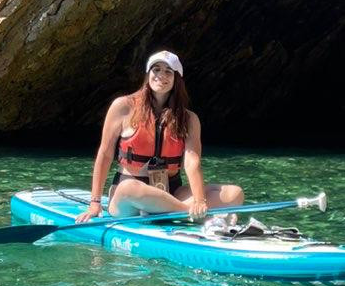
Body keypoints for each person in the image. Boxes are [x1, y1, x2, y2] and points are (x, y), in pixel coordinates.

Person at [75, 51, 244, 224]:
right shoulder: (123, 106)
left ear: (176, 79)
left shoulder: (190, 119)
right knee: (129, 189)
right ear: (148, 74)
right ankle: (191, 213)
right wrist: (95, 202)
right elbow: (105, 154)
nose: (161, 75)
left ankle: (174, 210)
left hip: (171, 192)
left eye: (168, 71)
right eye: (156, 69)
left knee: (234, 193)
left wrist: (200, 201)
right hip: (131, 198)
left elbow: (192, 163)